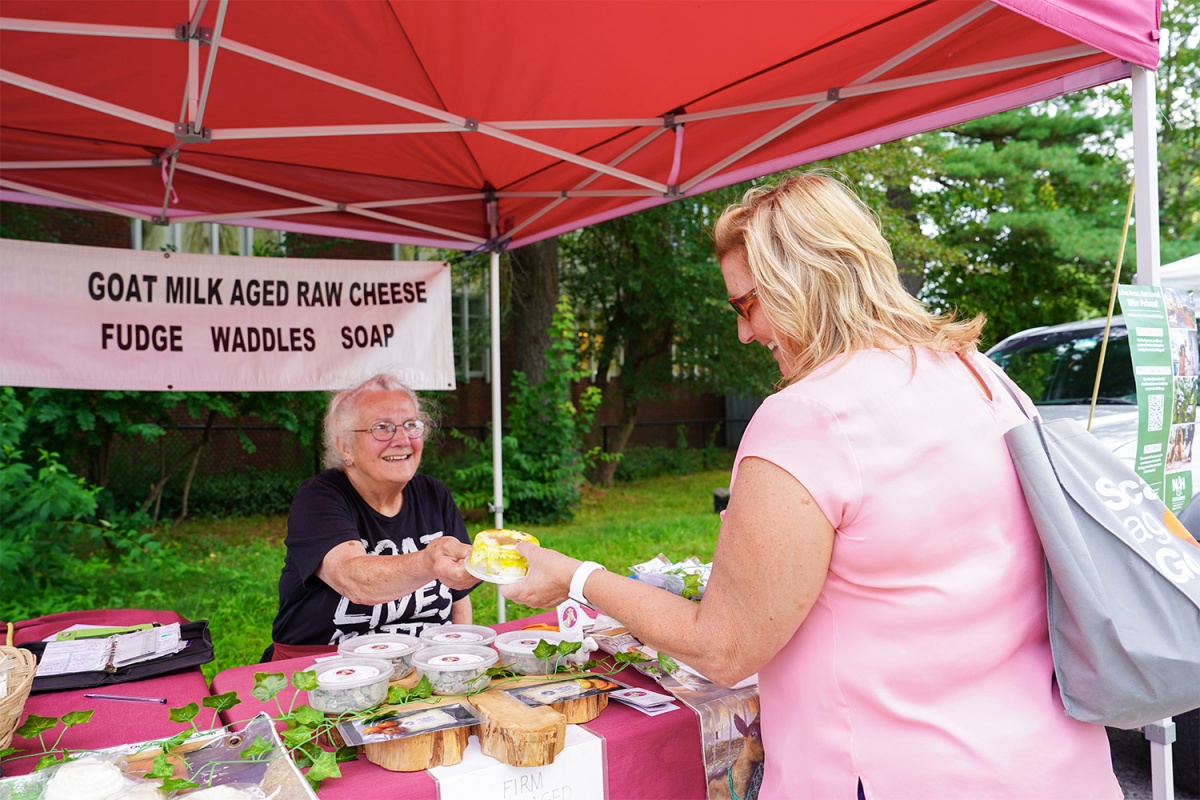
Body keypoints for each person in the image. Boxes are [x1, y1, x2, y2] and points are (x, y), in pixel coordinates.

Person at [502, 172, 1122, 798]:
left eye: (746, 305)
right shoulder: (983, 376)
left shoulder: (808, 415)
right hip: (1054, 760)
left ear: (800, 282)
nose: (745, 332)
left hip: (887, 773)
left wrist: (573, 577)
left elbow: (722, 649)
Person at [269, 374, 478, 661]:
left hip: (424, 665)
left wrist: (458, 658)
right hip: (326, 671)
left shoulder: (433, 494)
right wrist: (429, 561)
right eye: (382, 428)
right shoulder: (319, 498)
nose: (402, 439)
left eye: (410, 425)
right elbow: (354, 580)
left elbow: (459, 601)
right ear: (345, 447)